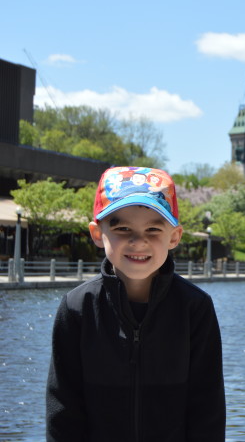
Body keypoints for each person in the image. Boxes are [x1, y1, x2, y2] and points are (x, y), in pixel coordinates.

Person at [46, 166, 226, 441]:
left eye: (153, 229)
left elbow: (207, 410)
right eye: (122, 228)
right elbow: (63, 410)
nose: (138, 241)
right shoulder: (76, 308)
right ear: (97, 233)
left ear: (174, 236)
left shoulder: (195, 308)